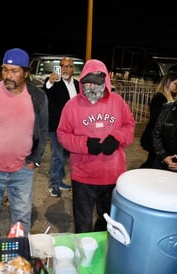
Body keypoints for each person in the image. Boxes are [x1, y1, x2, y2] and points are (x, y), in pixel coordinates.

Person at [0, 48, 48, 238]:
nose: (8, 75)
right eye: (5, 70)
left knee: (22, 216)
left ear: (26, 73)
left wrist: (35, 160)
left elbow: (43, 131)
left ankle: (18, 258)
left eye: (14, 71)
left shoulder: (38, 97)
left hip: (22, 170)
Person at [57, 59, 135, 233]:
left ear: (105, 81)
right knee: (83, 224)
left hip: (112, 175)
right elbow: (62, 134)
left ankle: (105, 255)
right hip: (83, 177)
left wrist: (117, 138)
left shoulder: (118, 102)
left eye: (96, 82)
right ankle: (84, 257)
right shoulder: (72, 106)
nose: (91, 86)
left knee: (109, 223)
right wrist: (84, 144)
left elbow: (129, 126)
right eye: (87, 82)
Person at [42, 57, 79, 197]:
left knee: (65, 156)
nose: (65, 69)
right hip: (56, 127)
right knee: (58, 156)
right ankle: (54, 185)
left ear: (72, 69)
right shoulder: (54, 82)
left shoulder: (76, 84)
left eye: (68, 66)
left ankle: (60, 180)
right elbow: (46, 91)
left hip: (72, 129)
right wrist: (50, 82)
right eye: (62, 66)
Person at [139, 72, 177, 168]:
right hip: (155, 135)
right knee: (153, 161)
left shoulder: (167, 97)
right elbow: (156, 120)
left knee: (153, 160)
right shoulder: (160, 98)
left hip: (157, 136)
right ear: (167, 82)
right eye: (175, 83)